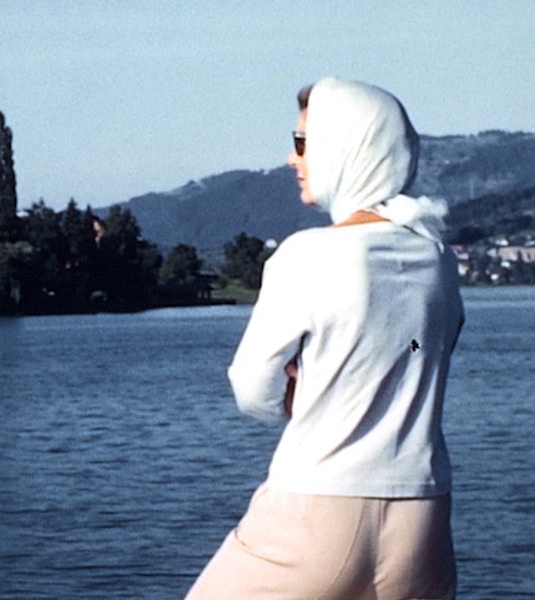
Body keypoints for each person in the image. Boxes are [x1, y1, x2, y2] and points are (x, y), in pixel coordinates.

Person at [186, 77, 464, 599]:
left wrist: (301, 393)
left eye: (302, 142)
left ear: (344, 146)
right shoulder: (437, 258)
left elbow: (252, 389)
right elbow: (419, 352)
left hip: (317, 512)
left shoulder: (307, 255)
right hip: (422, 519)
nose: (292, 158)